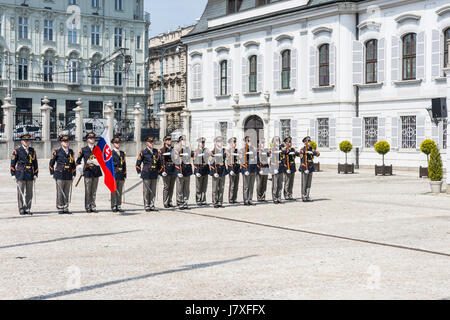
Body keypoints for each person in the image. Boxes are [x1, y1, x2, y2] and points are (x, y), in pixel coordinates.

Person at [10, 134, 38, 215]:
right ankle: (21, 208)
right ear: (22, 141)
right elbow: (12, 163)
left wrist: (36, 173)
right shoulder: (17, 150)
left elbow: (35, 163)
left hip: (29, 173)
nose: (27, 142)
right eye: (25, 140)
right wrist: (13, 174)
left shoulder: (32, 150)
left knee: (29, 193)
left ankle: (27, 208)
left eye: (28, 140)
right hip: (20, 173)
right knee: (20, 192)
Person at [49, 135, 76, 214]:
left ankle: (66, 206)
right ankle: (60, 207)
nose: (66, 143)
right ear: (61, 143)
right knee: (60, 192)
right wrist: (52, 173)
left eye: (67, 141)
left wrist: (74, 173)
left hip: (68, 174)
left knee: (67, 191)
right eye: (64, 141)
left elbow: (73, 163)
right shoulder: (57, 151)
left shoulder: (71, 152)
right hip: (60, 174)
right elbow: (51, 163)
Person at [76, 132, 102, 213]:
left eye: (93, 138)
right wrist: (81, 169)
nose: (92, 139)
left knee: (94, 191)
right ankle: (87, 206)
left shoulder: (98, 149)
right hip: (87, 171)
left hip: (96, 171)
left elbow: (102, 160)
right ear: (87, 140)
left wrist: (98, 162)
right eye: (90, 138)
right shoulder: (84, 150)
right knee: (88, 191)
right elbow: (77, 162)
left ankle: (93, 206)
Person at [136, 136, 160, 212]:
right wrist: (139, 172)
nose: (152, 143)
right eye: (150, 142)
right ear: (147, 143)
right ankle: (147, 205)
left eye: (152, 142)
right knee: (146, 191)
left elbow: (159, 163)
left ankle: (152, 205)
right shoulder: (143, 152)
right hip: (146, 173)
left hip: (154, 173)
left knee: (153, 190)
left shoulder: (156, 151)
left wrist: (159, 172)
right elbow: (138, 163)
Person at [299, 136, 320, 202]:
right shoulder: (302, 150)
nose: (309, 142)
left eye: (309, 141)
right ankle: (303, 196)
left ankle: (307, 195)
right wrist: (305, 168)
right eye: (308, 141)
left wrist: (312, 152)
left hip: (310, 167)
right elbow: (302, 160)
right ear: (305, 142)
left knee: (309, 183)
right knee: (304, 183)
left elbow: (318, 154)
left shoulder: (311, 149)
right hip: (305, 168)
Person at [174, 135, 193, 210]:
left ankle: (185, 202)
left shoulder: (188, 148)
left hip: (187, 170)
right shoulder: (177, 149)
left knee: (186, 188)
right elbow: (175, 161)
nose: (184, 142)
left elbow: (192, 155)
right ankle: (180, 202)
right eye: (183, 140)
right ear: (180, 141)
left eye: (185, 140)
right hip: (181, 170)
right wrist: (178, 171)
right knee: (180, 188)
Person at [209, 136, 228, 208]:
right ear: (216, 143)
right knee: (215, 188)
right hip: (216, 171)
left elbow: (227, 156)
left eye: (221, 141)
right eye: (219, 142)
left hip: (222, 171)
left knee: (221, 188)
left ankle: (220, 202)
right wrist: (214, 172)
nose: (220, 143)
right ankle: (215, 202)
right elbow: (211, 162)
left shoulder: (224, 150)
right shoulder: (213, 151)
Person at [159, 135, 176, 208]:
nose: (170, 141)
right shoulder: (162, 150)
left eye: (170, 140)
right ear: (165, 141)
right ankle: (165, 202)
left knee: (171, 187)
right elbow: (160, 161)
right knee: (166, 187)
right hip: (166, 170)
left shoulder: (173, 149)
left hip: (173, 169)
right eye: (168, 140)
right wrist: (162, 171)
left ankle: (170, 201)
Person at [240, 136, 258, 206]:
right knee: (246, 186)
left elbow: (255, 158)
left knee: (251, 186)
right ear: (245, 142)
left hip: (252, 169)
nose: (250, 142)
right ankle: (246, 200)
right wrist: (244, 170)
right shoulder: (242, 150)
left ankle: (250, 199)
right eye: (248, 141)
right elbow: (241, 161)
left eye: (250, 141)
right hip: (246, 169)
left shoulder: (253, 149)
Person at [111, 136, 127, 212]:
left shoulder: (122, 153)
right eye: (116, 143)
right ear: (113, 144)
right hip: (114, 174)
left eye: (118, 143)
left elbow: (124, 164)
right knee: (114, 190)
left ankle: (119, 205)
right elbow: (109, 164)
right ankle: (114, 205)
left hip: (121, 174)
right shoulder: (111, 153)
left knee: (120, 190)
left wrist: (124, 174)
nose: (118, 144)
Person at [193, 137, 209, 206]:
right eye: (202, 143)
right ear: (199, 143)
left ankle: (203, 200)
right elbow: (194, 162)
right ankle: (198, 200)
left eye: (203, 143)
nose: (203, 144)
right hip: (199, 170)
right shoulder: (196, 151)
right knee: (198, 187)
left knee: (204, 187)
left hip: (205, 169)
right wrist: (196, 171)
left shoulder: (206, 150)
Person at [269, 136, 285, 204]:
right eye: (276, 141)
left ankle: (279, 197)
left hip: (280, 168)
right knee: (275, 185)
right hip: (275, 168)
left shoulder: (281, 149)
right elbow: (271, 160)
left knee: (280, 184)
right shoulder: (272, 149)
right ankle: (274, 198)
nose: (277, 142)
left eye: (278, 141)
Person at [283, 136, 299, 201]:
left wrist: (295, 153)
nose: (290, 143)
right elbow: (284, 160)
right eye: (289, 142)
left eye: (290, 142)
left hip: (292, 167)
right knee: (287, 182)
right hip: (288, 168)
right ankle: (286, 195)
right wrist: (286, 168)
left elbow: (297, 154)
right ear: (286, 143)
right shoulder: (284, 150)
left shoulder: (293, 149)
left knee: (291, 182)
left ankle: (290, 194)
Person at [226, 137, 240, 204]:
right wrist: (230, 169)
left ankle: (235, 198)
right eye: (234, 142)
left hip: (237, 168)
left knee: (236, 185)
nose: (235, 143)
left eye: (235, 142)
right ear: (230, 143)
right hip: (232, 168)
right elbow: (228, 161)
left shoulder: (237, 150)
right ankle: (231, 199)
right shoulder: (228, 151)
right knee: (232, 185)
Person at [256, 138, 270, 202]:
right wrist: (259, 168)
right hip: (260, 168)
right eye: (262, 143)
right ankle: (259, 197)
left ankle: (263, 197)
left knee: (264, 183)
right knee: (259, 183)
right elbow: (256, 160)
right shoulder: (257, 151)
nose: (263, 144)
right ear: (258, 144)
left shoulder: (265, 150)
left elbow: (269, 155)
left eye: (264, 143)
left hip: (266, 167)